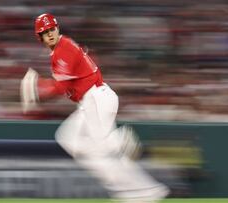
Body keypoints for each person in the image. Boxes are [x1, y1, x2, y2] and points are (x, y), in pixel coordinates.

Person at [21, 13, 169, 203]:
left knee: (100, 146)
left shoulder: (63, 48)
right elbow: (67, 85)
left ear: (57, 28)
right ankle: (141, 191)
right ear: (39, 37)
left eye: (52, 29)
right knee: (70, 139)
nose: (49, 34)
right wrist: (36, 87)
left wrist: (35, 86)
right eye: (44, 32)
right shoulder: (60, 51)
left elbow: (61, 88)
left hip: (97, 98)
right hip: (90, 103)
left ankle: (120, 140)